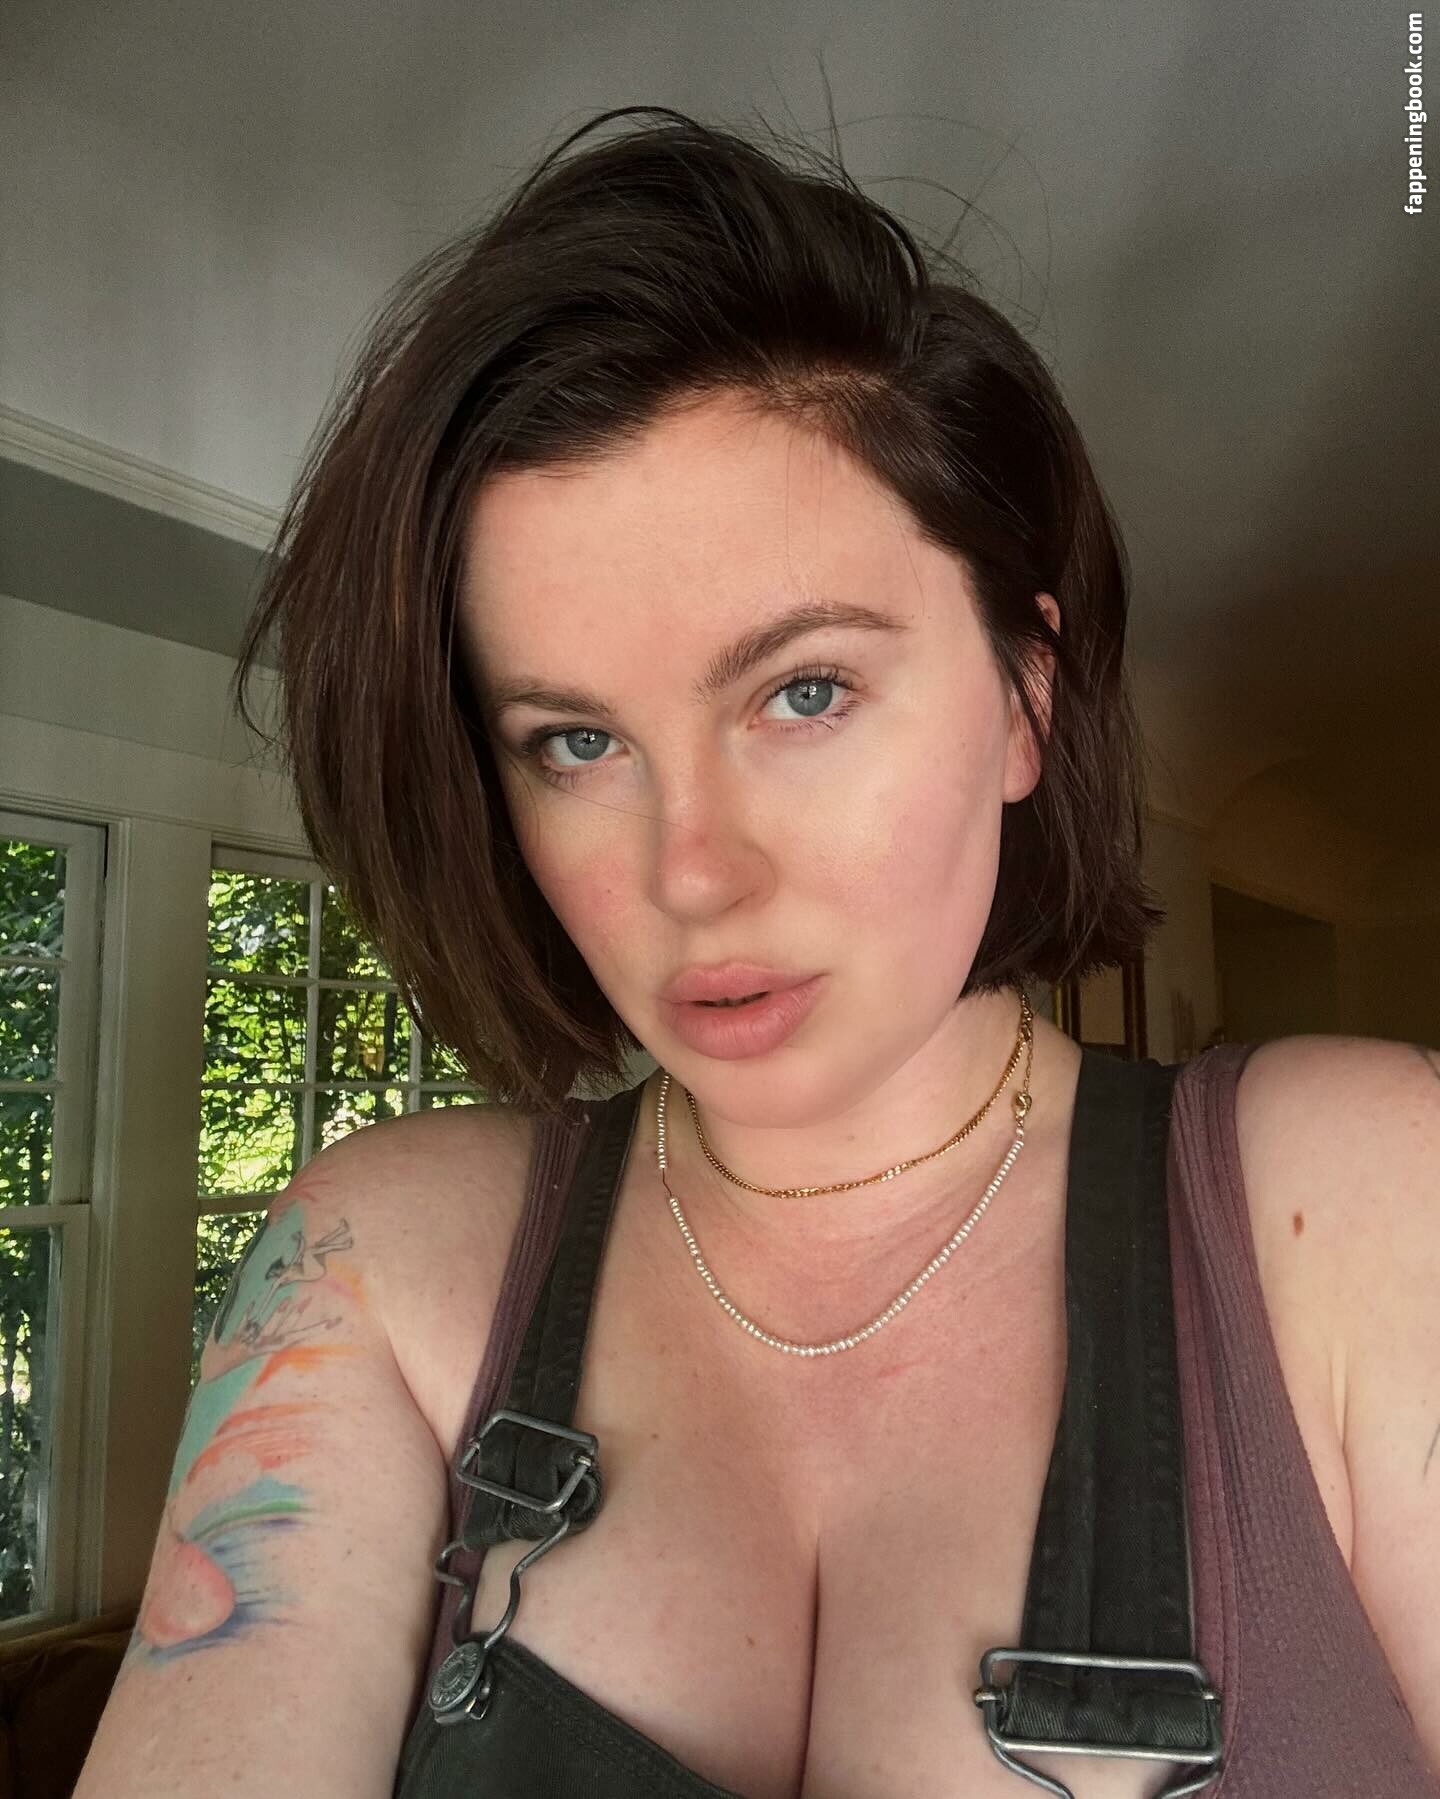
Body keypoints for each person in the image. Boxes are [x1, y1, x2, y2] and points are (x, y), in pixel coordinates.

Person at [76, 106, 1439, 1798]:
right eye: (578, 742)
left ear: (1024, 702)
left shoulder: (1368, 1206)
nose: (692, 873)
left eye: (804, 692)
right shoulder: (380, 1268)